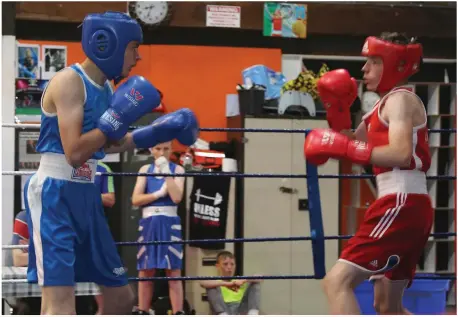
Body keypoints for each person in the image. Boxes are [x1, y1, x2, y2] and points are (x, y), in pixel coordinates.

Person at [23, 11, 199, 315]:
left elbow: (111, 143)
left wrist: (153, 132)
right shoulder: (69, 82)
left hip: (87, 195)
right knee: (60, 302)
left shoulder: (105, 89)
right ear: (107, 44)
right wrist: (112, 122)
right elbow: (75, 152)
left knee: (121, 299)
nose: (138, 57)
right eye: (133, 47)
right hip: (55, 195)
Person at [304, 32, 430, 315]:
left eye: (374, 61)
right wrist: (337, 112)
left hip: (401, 200)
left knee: (336, 282)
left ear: (395, 63)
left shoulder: (400, 100)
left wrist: (347, 146)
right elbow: (351, 142)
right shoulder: (379, 108)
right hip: (406, 203)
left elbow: (400, 154)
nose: (364, 68)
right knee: (387, 306)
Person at [131, 141, 185, 315]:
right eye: (158, 148)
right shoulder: (145, 170)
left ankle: (178, 312)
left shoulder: (178, 170)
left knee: (174, 271)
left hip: (170, 222)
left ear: (171, 150)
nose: (162, 152)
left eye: (166, 149)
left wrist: (167, 174)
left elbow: (177, 197)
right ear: (151, 149)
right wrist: (159, 194)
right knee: (146, 270)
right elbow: (135, 200)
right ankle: (143, 310)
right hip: (149, 222)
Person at [200, 251, 262, 315]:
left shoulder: (240, 280)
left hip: (240, 310)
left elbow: (259, 277)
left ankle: (253, 313)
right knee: (211, 287)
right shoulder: (215, 281)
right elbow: (202, 282)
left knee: (255, 283)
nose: (229, 267)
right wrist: (228, 284)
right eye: (225, 264)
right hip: (223, 309)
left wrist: (244, 280)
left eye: (232, 264)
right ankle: (222, 314)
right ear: (217, 266)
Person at [93, 161, 116, 314]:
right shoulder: (70, 165)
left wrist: (87, 193)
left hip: (96, 227)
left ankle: (102, 312)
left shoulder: (103, 168)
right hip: (70, 225)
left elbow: (110, 199)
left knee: (99, 271)